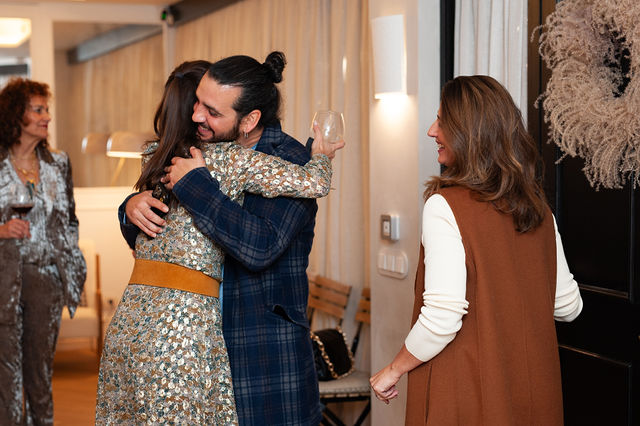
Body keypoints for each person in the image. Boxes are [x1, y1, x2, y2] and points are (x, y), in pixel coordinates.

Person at [98, 59, 341, 424]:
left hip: (258, 350)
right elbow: (161, 241)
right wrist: (130, 208)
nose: (197, 116)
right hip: (186, 345)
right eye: (198, 102)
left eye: (212, 111)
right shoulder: (196, 150)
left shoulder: (288, 160)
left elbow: (260, 248)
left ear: (249, 120)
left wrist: (195, 186)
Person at [370, 75, 584, 425]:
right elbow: (568, 306)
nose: (431, 131)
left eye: (442, 121)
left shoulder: (445, 206)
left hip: (467, 393)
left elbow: (442, 317)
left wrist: (393, 370)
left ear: (470, 133)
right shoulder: (539, 210)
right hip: (533, 394)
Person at [0, 78, 86, 425]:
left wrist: (70, 263)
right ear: (15, 115)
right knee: (7, 375)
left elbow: (71, 220)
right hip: (3, 279)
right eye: (38, 110)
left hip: (47, 279)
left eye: (46, 109)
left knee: (40, 373)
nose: (46, 116)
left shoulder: (59, 163)